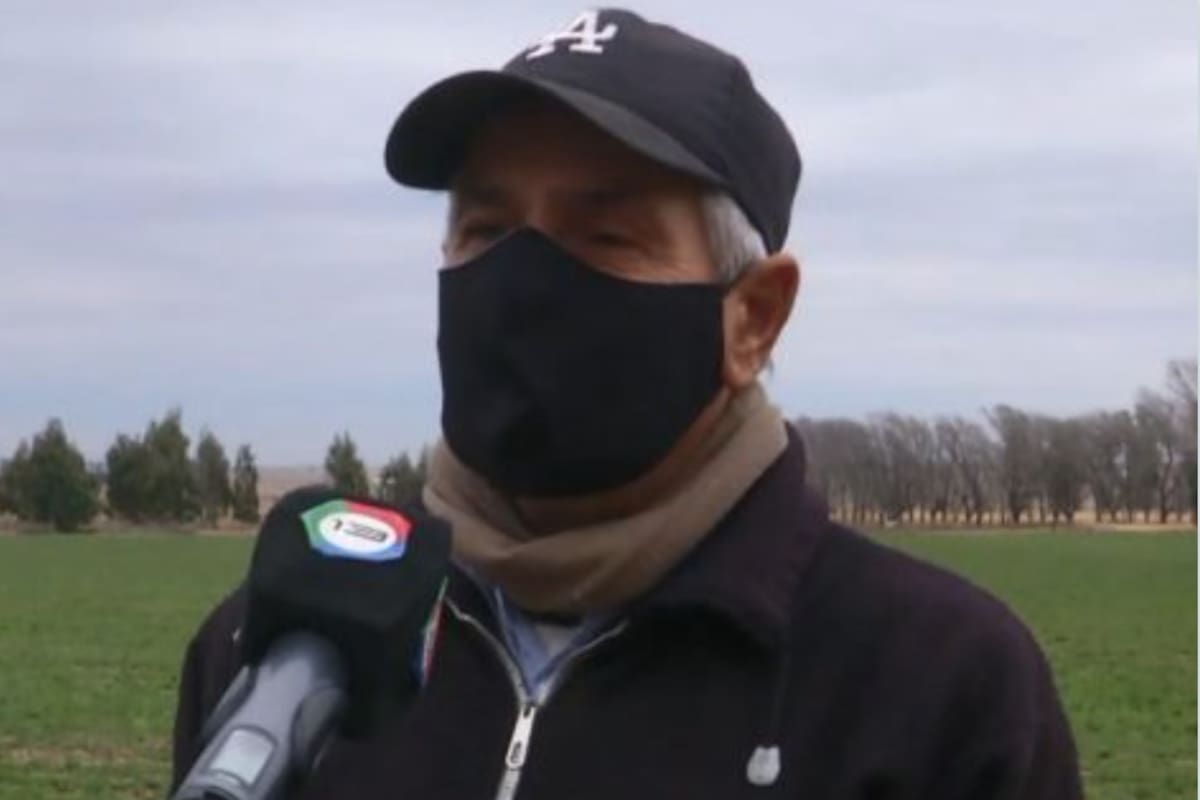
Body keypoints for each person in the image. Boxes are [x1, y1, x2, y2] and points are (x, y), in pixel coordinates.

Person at [171, 8, 1083, 799]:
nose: (521, 286)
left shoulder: (936, 689)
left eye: (606, 238)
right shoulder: (282, 652)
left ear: (753, 319)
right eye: (485, 232)